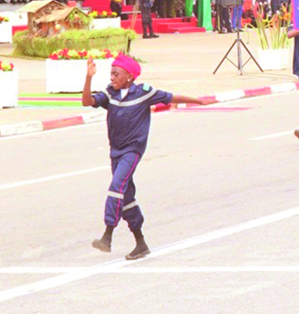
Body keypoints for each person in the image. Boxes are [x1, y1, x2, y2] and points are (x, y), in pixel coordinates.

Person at [82, 54, 212, 260]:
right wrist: (88, 78)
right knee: (125, 197)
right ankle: (141, 243)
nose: (112, 78)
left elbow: (171, 97)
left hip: (132, 151)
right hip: (115, 151)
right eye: (111, 74)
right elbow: (87, 101)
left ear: (129, 77)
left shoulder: (144, 93)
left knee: (116, 187)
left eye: (116, 74)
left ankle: (107, 236)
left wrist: (197, 100)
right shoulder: (110, 94)